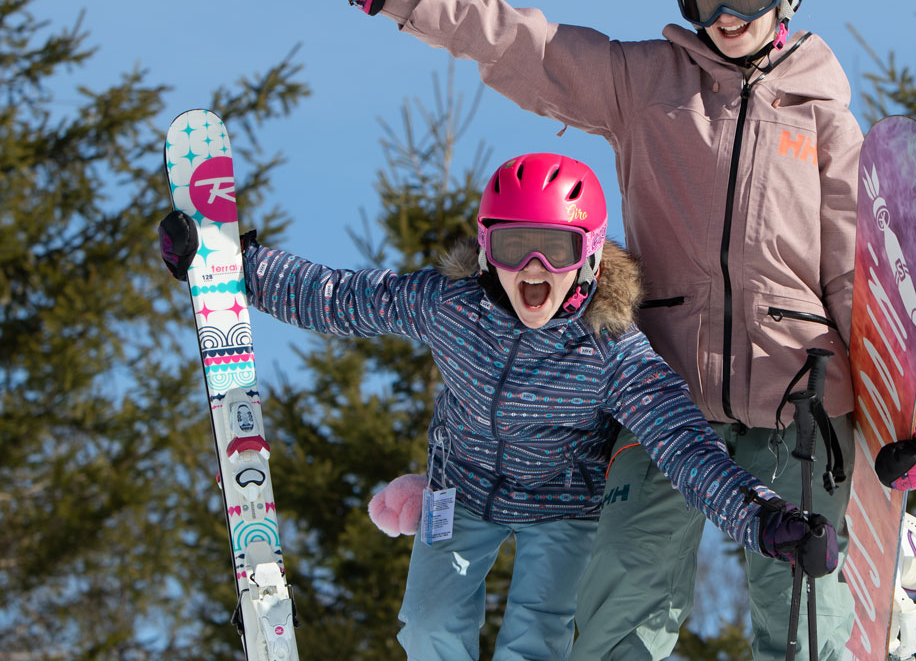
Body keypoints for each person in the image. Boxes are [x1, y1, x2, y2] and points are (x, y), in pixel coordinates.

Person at [269, 0, 863, 661]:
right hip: (664, 394)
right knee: (622, 605)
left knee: (801, 613)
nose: (723, 15)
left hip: (800, 399)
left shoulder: (824, 119)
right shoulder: (647, 84)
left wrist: (901, 416)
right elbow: (523, 44)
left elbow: (855, 275)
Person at [158, 152, 837, 661]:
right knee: (429, 627)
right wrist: (234, 266)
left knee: (532, 641)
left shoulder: (614, 352)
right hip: (464, 492)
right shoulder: (454, 308)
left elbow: (686, 447)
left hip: (562, 510)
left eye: (558, 249)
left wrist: (761, 516)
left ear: (591, 258)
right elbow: (342, 297)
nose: (534, 267)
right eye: (515, 247)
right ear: (488, 250)